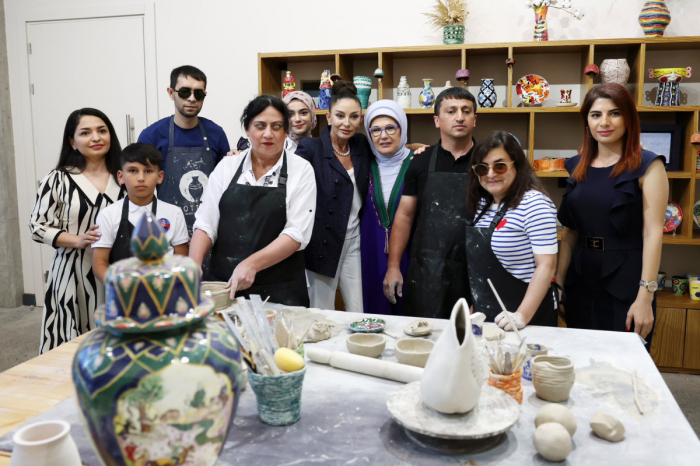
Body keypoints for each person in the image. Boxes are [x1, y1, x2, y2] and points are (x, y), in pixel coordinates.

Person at [556, 83, 667, 346]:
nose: (604, 122)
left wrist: (645, 296)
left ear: (629, 118)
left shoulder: (649, 166)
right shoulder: (575, 165)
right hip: (581, 278)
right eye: (596, 115)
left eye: (614, 113)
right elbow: (571, 231)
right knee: (580, 360)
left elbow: (653, 233)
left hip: (627, 281)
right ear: (587, 122)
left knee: (624, 366)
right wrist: (558, 283)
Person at [190, 95, 316, 306]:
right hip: (224, 287)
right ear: (247, 129)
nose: (268, 134)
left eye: (276, 126)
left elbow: (296, 234)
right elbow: (206, 223)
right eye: (260, 126)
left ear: (286, 131)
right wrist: (193, 265)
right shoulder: (227, 168)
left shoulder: (301, 170)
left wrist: (252, 264)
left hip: (280, 290)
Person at [29, 108, 123, 353]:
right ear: (72, 142)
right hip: (73, 275)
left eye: (102, 131)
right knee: (71, 348)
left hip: (118, 272)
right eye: (86, 132)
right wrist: (79, 240)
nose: (96, 137)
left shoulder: (125, 176)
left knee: (119, 346)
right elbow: (38, 228)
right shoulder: (58, 179)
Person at [384, 87, 478, 319]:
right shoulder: (420, 161)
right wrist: (393, 266)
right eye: (451, 111)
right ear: (437, 120)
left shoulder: (488, 163)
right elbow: (404, 216)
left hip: (475, 270)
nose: (459, 117)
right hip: (428, 271)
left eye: (466, 111)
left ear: (474, 120)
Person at [465, 131, 559, 329]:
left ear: (516, 165)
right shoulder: (483, 203)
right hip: (489, 317)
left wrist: (521, 316)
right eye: (482, 168)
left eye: (500, 166)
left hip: (525, 318)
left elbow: (546, 266)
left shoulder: (534, 204)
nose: (490, 174)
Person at [296, 81, 372, 313]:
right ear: (328, 117)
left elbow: (394, 147)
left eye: (354, 116)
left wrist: (421, 149)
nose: (346, 123)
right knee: (322, 313)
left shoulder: (360, 146)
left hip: (354, 242)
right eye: (340, 116)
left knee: (359, 311)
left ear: (361, 119)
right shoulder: (312, 148)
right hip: (322, 244)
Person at [138, 65, 230, 235]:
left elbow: (226, 185)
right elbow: (140, 187)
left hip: (210, 227)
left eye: (199, 93)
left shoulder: (216, 133)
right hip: (167, 229)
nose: (192, 98)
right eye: (185, 92)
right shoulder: (152, 136)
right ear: (171, 93)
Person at [92, 143, 189, 282]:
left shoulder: (174, 213)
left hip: (165, 293)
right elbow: (99, 264)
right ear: (120, 176)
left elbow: (182, 261)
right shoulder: (108, 215)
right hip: (123, 294)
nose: (141, 178)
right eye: (133, 171)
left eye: (148, 171)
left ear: (160, 176)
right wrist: (122, 288)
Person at [361, 100, 413, 315]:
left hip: (410, 253)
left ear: (403, 129)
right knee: (374, 314)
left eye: (391, 128)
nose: (383, 136)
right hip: (369, 252)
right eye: (376, 130)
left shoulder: (418, 163)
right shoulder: (361, 164)